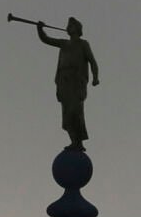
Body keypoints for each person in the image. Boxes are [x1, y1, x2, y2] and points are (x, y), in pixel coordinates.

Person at [36, 17, 100, 150]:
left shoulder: (83, 44)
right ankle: (74, 142)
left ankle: (78, 142)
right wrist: (39, 29)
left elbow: (92, 61)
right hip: (64, 82)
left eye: (71, 26)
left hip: (77, 83)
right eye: (68, 26)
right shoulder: (64, 43)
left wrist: (95, 77)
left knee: (75, 112)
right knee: (66, 116)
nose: (68, 28)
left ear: (77, 29)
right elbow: (47, 40)